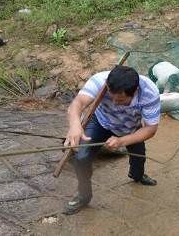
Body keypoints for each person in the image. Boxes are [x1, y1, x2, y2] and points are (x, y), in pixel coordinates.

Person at [63, 66, 161, 215]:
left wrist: (122, 141)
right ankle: (84, 195)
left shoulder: (149, 93)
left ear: (134, 92)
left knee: (139, 157)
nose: (115, 103)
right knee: (81, 158)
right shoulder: (100, 80)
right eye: (111, 96)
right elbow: (77, 104)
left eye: (120, 99)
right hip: (100, 122)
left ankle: (138, 176)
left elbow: (150, 129)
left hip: (130, 127)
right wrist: (75, 125)